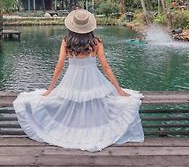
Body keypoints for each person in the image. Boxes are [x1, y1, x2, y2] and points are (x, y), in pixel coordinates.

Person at [13, 9, 144, 152]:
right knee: (105, 102)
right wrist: (118, 90)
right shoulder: (96, 43)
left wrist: (50, 89)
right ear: (89, 26)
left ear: (72, 26)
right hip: (93, 81)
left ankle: (73, 128)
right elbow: (106, 67)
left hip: (71, 81)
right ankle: (93, 130)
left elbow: (59, 67)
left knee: (62, 101)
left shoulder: (66, 42)